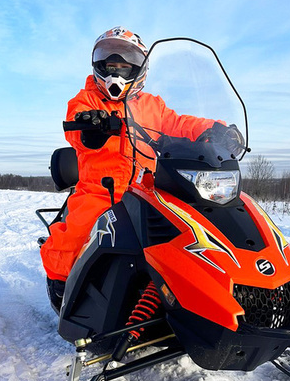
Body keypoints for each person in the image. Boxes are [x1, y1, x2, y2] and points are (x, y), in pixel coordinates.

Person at [40, 27, 244, 309]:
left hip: (150, 189)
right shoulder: (86, 99)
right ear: (99, 66)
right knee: (79, 231)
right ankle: (62, 282)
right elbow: (76, 127)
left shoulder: (152, 106)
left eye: (125, 66)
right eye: (111, 64)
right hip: (102, 190)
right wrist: (91, 124)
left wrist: (215, 130)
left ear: (139, 69)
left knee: (192, 230)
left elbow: (181, 123)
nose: (117, 72)